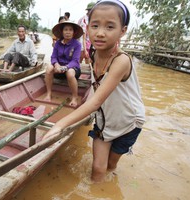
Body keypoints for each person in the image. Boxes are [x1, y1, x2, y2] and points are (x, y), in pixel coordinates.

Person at [43, 0, 145, 183]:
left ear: (123, 31)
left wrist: (60, 125)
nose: (100, 33)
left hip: (128, 122)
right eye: (95, 25)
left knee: (111, 166)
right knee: (98, 169)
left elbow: (95, 101)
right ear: (88, 27)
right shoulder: (93, 53)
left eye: (110, 26)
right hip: (105, 120)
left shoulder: (121, 61)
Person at [44, 21, 83, 107]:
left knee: (69, 73)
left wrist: (65, 67)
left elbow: (75, 61)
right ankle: (49, 93)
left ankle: (75, 97)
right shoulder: (58, 43)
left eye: (70, 30)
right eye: (65, 29)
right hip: (58, 69)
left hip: (72, 69)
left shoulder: (77, 44)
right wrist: (57, 65)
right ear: (62, 32)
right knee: (49, 68)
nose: (68, 32)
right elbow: (53, 57)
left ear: (74, 32)